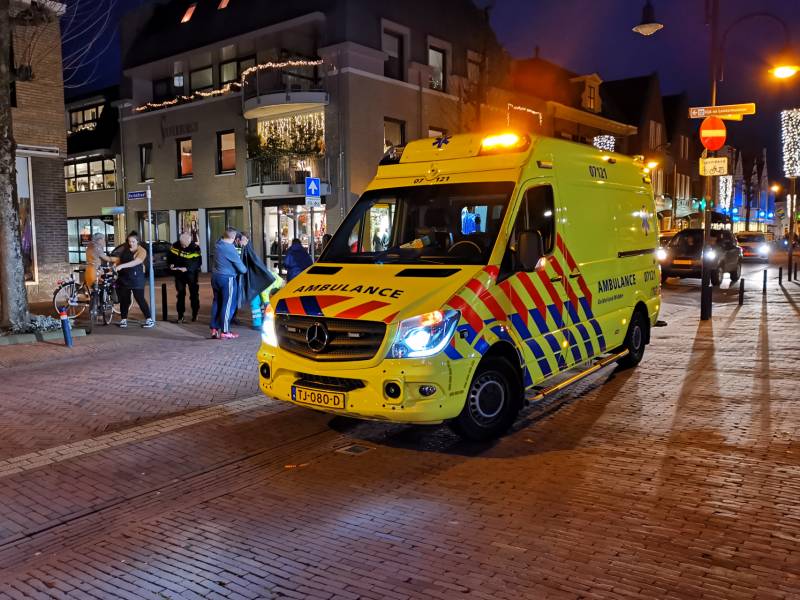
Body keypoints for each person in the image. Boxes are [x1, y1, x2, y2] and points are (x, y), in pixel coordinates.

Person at [211, 227, 247, 339]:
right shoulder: (229, 248)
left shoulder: (218, 244)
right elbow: (242, 269)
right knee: (228, 305)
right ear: (234, 238)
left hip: (215, 277)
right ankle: (225, 331)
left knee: (217, 302)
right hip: (227, 279)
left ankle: (214, 329)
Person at [115, 231, 153, 329]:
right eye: (129, 241)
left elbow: (137, 261)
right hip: (124, 278)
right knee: (124, 300)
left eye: (133, 241)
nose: (131, 243)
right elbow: (119, 260)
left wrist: (122, 266)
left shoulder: (141, 251)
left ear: (137, 241)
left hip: (137, 278)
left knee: (140, 299)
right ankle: (123, 319)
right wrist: (115, 265)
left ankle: (149, 319)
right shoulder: (125, 249)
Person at [168, 232, 202, 323]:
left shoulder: (195, 248)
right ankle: (180, 316)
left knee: (194, 295)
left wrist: (187, 268)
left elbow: (198, 263)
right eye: (182, 244)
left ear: (190, 241)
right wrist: (171, 264)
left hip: (191, 275)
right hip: (179, 274)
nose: (183, 246)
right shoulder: (175, 246)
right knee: (180, 295)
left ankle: (195, 314)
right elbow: (170, 257)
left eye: (185, 245)